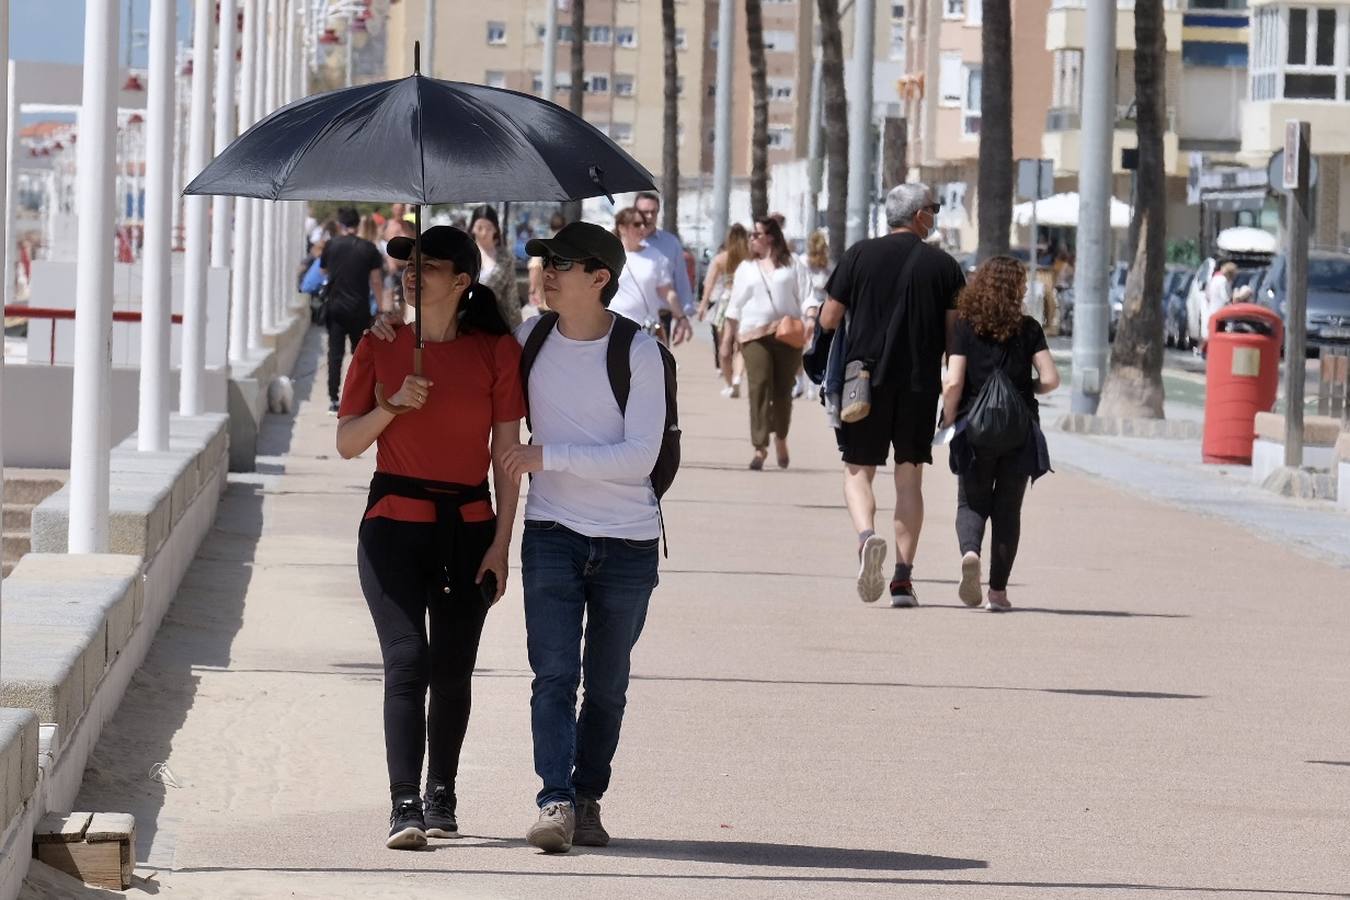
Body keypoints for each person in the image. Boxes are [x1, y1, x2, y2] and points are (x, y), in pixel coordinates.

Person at [335, 225, 523, 851]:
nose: (413, 273)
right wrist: (391, 407)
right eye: (408, 264)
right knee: (407, 657)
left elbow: (504, 454)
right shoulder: (379, 343)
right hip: (392, 523)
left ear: (464, 281)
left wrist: (502, 541)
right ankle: (404, 803)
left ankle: (442, 790)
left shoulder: (496, 351)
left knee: (453, 667)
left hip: (468, 528)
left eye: (431, 266)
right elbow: (347, 443)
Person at [494, 222, 667, 854]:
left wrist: (549, 455)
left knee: (608, 683)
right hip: (551, 533)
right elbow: (465, 353)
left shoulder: (638, 352)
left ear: (599, 278)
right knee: (553, 674)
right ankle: (556, 800)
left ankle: (588, 795)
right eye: (545, 260)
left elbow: (640, 458)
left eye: (562, 264)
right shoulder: (528, 338)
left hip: (627, 539)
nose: (546, 271)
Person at [818, 183, 966, 607]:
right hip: (919, 384)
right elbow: (954, 335)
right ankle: (902, 579)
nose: (935, 215)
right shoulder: (944, 266)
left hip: (862, 380)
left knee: (857, 471)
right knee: (909, 478)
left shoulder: (860, 255)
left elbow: (830, 318)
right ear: (919, 215)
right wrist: (952, 393)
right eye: (934, 209)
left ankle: (867, 538)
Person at [940, 256, 1060, 611]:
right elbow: (1052, 379)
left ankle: (971, 552)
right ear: (1017, 290)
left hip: (974, 429)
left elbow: (954, 381)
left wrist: (948, 419)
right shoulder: (1029, 328)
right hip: (1018, 430)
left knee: (971, 501)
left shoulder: (965, 326)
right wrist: (1028, 391)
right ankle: (997, 593)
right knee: (1008, 510)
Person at [722, 216, 811, 471]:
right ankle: (760, 447)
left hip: (787, 334)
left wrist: (812, 316)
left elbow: (806, 296)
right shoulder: (746, 269)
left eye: (756, 235)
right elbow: (734, 305)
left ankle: (781, 437)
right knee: (759, 386)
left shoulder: (792, 264)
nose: (751, 239)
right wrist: (727, 339)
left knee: (783, 392)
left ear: (770, 237)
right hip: (753, 336)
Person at [321, 207, 387, 414]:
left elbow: (323, 270)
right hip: (359, 309)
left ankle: (333, 399)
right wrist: (381, 308)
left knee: (335, 355)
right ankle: (361, 399)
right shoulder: (369, 248)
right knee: (362, 357)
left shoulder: (331, 245)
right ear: (358, 225)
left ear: (341, 225)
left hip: (335, 307)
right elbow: (376, 280)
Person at [610, 207, 693, 345]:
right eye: (636, 224)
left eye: (644, 224)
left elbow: (667, 292)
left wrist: (682, 317)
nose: (642, 228)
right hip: (615, 327)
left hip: (646, 329)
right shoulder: (610, 255)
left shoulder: (655, 256)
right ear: (622, 228)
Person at [698, 224, 750, 398]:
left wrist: (703, 306)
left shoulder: (721, 259)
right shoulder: (750, 258)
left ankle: (730, 383)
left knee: (724, 345)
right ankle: (736, 378)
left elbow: (709, 284)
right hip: (746, 303)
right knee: (741, 345)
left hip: (726, 302)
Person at [634, 192, 695, 321]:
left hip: (660, 318)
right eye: (645, 212)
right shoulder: (624, 242)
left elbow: (680, 279)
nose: (650, 216)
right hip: (629, 316)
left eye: (654, 212)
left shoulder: (670, 243)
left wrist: (683, 314)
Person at [470, 205, 523, 331]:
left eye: (488, 228)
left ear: (495, 229)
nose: (484, 233)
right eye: (480, 228)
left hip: (495, 323)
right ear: (472, 228)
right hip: (464, 322)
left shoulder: (505, 258)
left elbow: (511, 297)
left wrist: (518, 329)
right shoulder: (464, 255)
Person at [797, 230, 831, 399]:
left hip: (810, 309)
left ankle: (804, 384)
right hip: (815, 309)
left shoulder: (805, 261)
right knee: (814, 346)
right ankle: (808, 385)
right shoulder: (824, 264)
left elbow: (803, 288)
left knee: (806, 346)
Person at [1202, 260, 1237, 354]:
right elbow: (1225, 296)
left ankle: (1206, 350)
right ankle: (1216, 351)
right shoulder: (1223, 281)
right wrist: (1232, 300)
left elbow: (1207, 294)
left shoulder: (1215, 279)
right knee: (1220, 332)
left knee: (1212, 332)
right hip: (1221, 311)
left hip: (1212, 309)